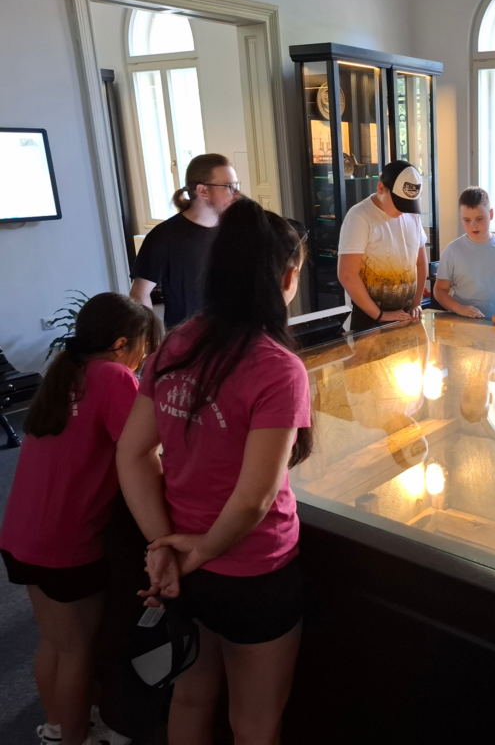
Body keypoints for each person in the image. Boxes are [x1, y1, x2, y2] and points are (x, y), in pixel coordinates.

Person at [117, 198, 312, 745]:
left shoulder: (178, 342)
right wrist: (197, 550)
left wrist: (164, 547)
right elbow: (254, 499)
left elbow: (133, 453)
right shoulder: (278, 366)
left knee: (190, 696)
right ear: (287, 278)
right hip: (254, 571)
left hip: (183, 567)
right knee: (254, 721)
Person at [1, 293, 161, 745]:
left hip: (21, 536)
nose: (144, 358)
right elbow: (142, 451)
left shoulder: (65, 372)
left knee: (54, 642)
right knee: (77, 650)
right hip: (66, 545)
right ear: (122, 343)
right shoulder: (114, 376)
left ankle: (56, 728)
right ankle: (75, 737)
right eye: (144, 347)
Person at [130, 153, 241, 328]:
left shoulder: (234, 229)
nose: (237, 194)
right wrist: (153, 338)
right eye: (229, 186)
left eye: (236, 185)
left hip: (233, 333)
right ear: (203, 190)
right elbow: (139, 294)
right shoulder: (164, 237)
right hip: (187, 339)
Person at [337, 160, 429, 331]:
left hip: (407, 314)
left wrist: (416, 303)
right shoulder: (360, 217)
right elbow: (347, 275)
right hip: (369, 318)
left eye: (408, 204)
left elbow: (421, 263)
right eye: (399, 203)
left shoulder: (412, 215)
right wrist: (380, 315)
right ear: (381, 188)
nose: (403, 210)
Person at [434, 186, 495, 319]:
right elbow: (440, 290)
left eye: (479, 219)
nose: (474, 225)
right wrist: (459, 309)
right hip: (465, 324)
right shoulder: (452, 251)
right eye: (467, 220)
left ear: (491, 214)